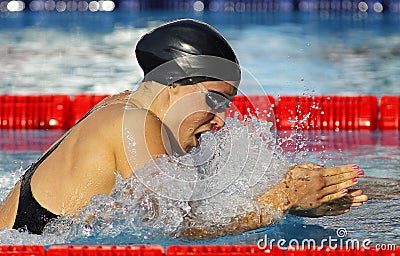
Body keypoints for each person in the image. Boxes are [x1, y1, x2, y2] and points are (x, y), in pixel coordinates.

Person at [0, 19, 367, 236]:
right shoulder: (138, 124)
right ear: (174, 82)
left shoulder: (122, 106)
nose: (221, 119)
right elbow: (176, 231)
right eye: (214, 100)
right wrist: (282, 201)